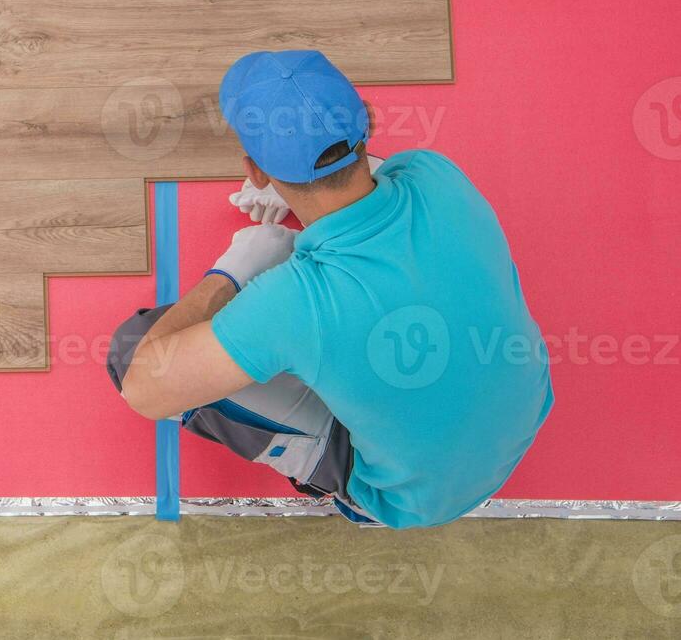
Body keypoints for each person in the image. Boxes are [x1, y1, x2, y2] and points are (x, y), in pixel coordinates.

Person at [106, 50, 553, 528]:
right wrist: (295, 186)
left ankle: (333, 479)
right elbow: (377, 172)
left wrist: (237, 267)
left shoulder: (290, 300)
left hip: (411, 498)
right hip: (521, 423)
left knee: (132, 347)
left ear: (254, 170)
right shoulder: (436, 173)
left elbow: (144, 391)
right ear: (371, 121)